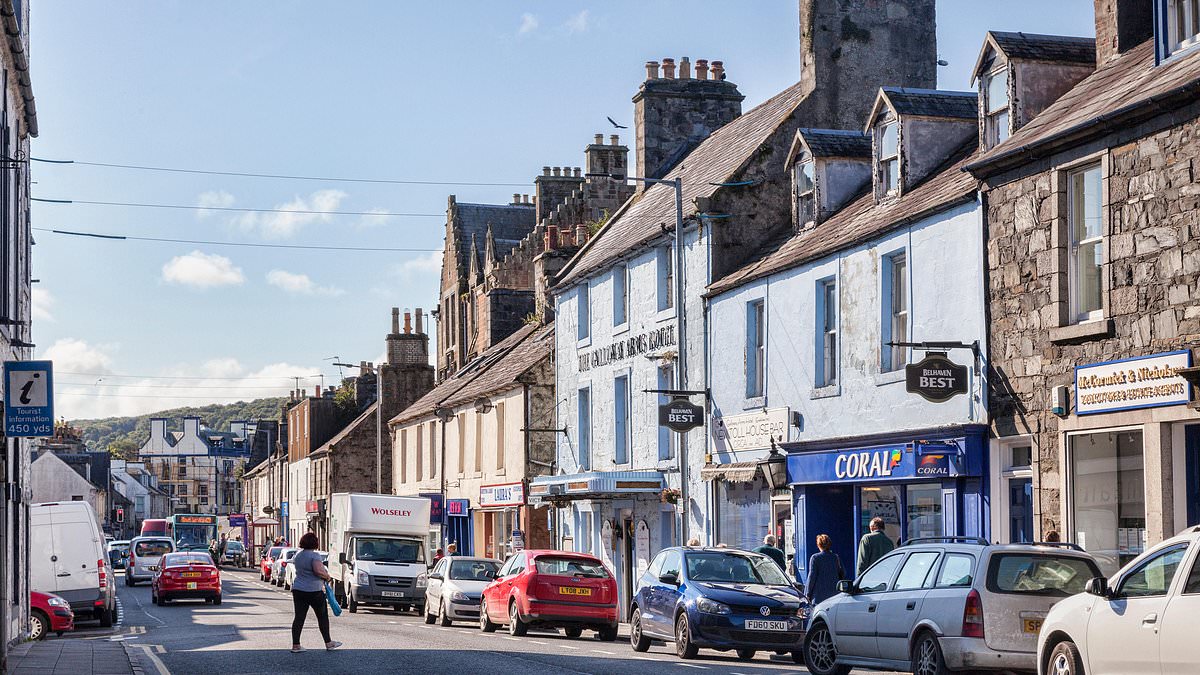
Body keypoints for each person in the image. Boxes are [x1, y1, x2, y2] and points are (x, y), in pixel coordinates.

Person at [290, 532, 341, 653]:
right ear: (315, 543)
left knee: (299, 617)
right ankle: (329, 643)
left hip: (298, 589)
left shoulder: (298, 555)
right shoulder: (314, 556)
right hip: (314, 591)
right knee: (322, 617)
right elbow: (318, 571)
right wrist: (327, 577)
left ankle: (296, 645)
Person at [805, 534, 845, 605]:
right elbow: (843, 573)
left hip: (819, 597)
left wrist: (807, 594)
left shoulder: (815, 558)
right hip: (834, 596)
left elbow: (812, 577)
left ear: (818, 545)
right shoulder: (836, 557)